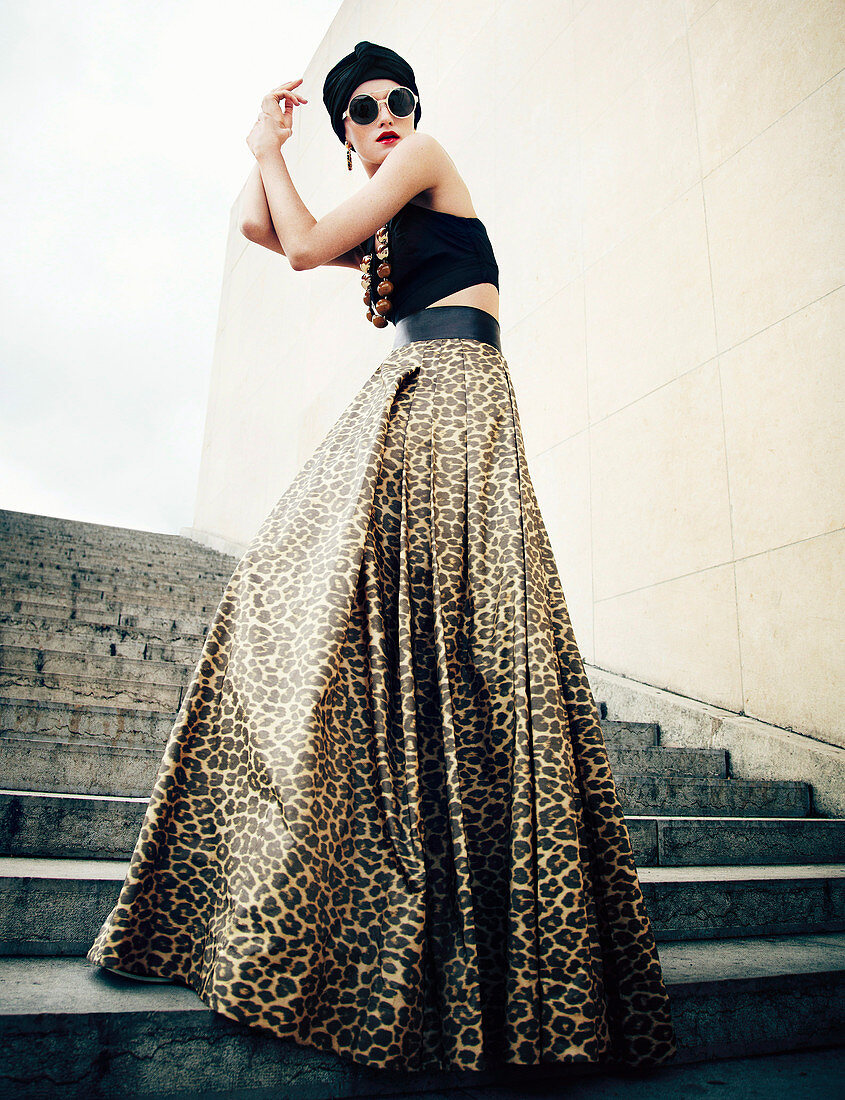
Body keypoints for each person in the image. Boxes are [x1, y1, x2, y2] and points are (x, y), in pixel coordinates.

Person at [88, 41, 678, 1076]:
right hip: (411, 397)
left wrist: (276, 155)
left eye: (397, 98)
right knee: (315, 592)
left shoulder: (425, 160)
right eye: (362, 111)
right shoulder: (385, 217)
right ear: (346, 134)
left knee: (468, 631)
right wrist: (261, 149)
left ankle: (506, 952)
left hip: (452, 396)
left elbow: (305, 242)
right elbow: (261, 226)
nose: (387, 115)